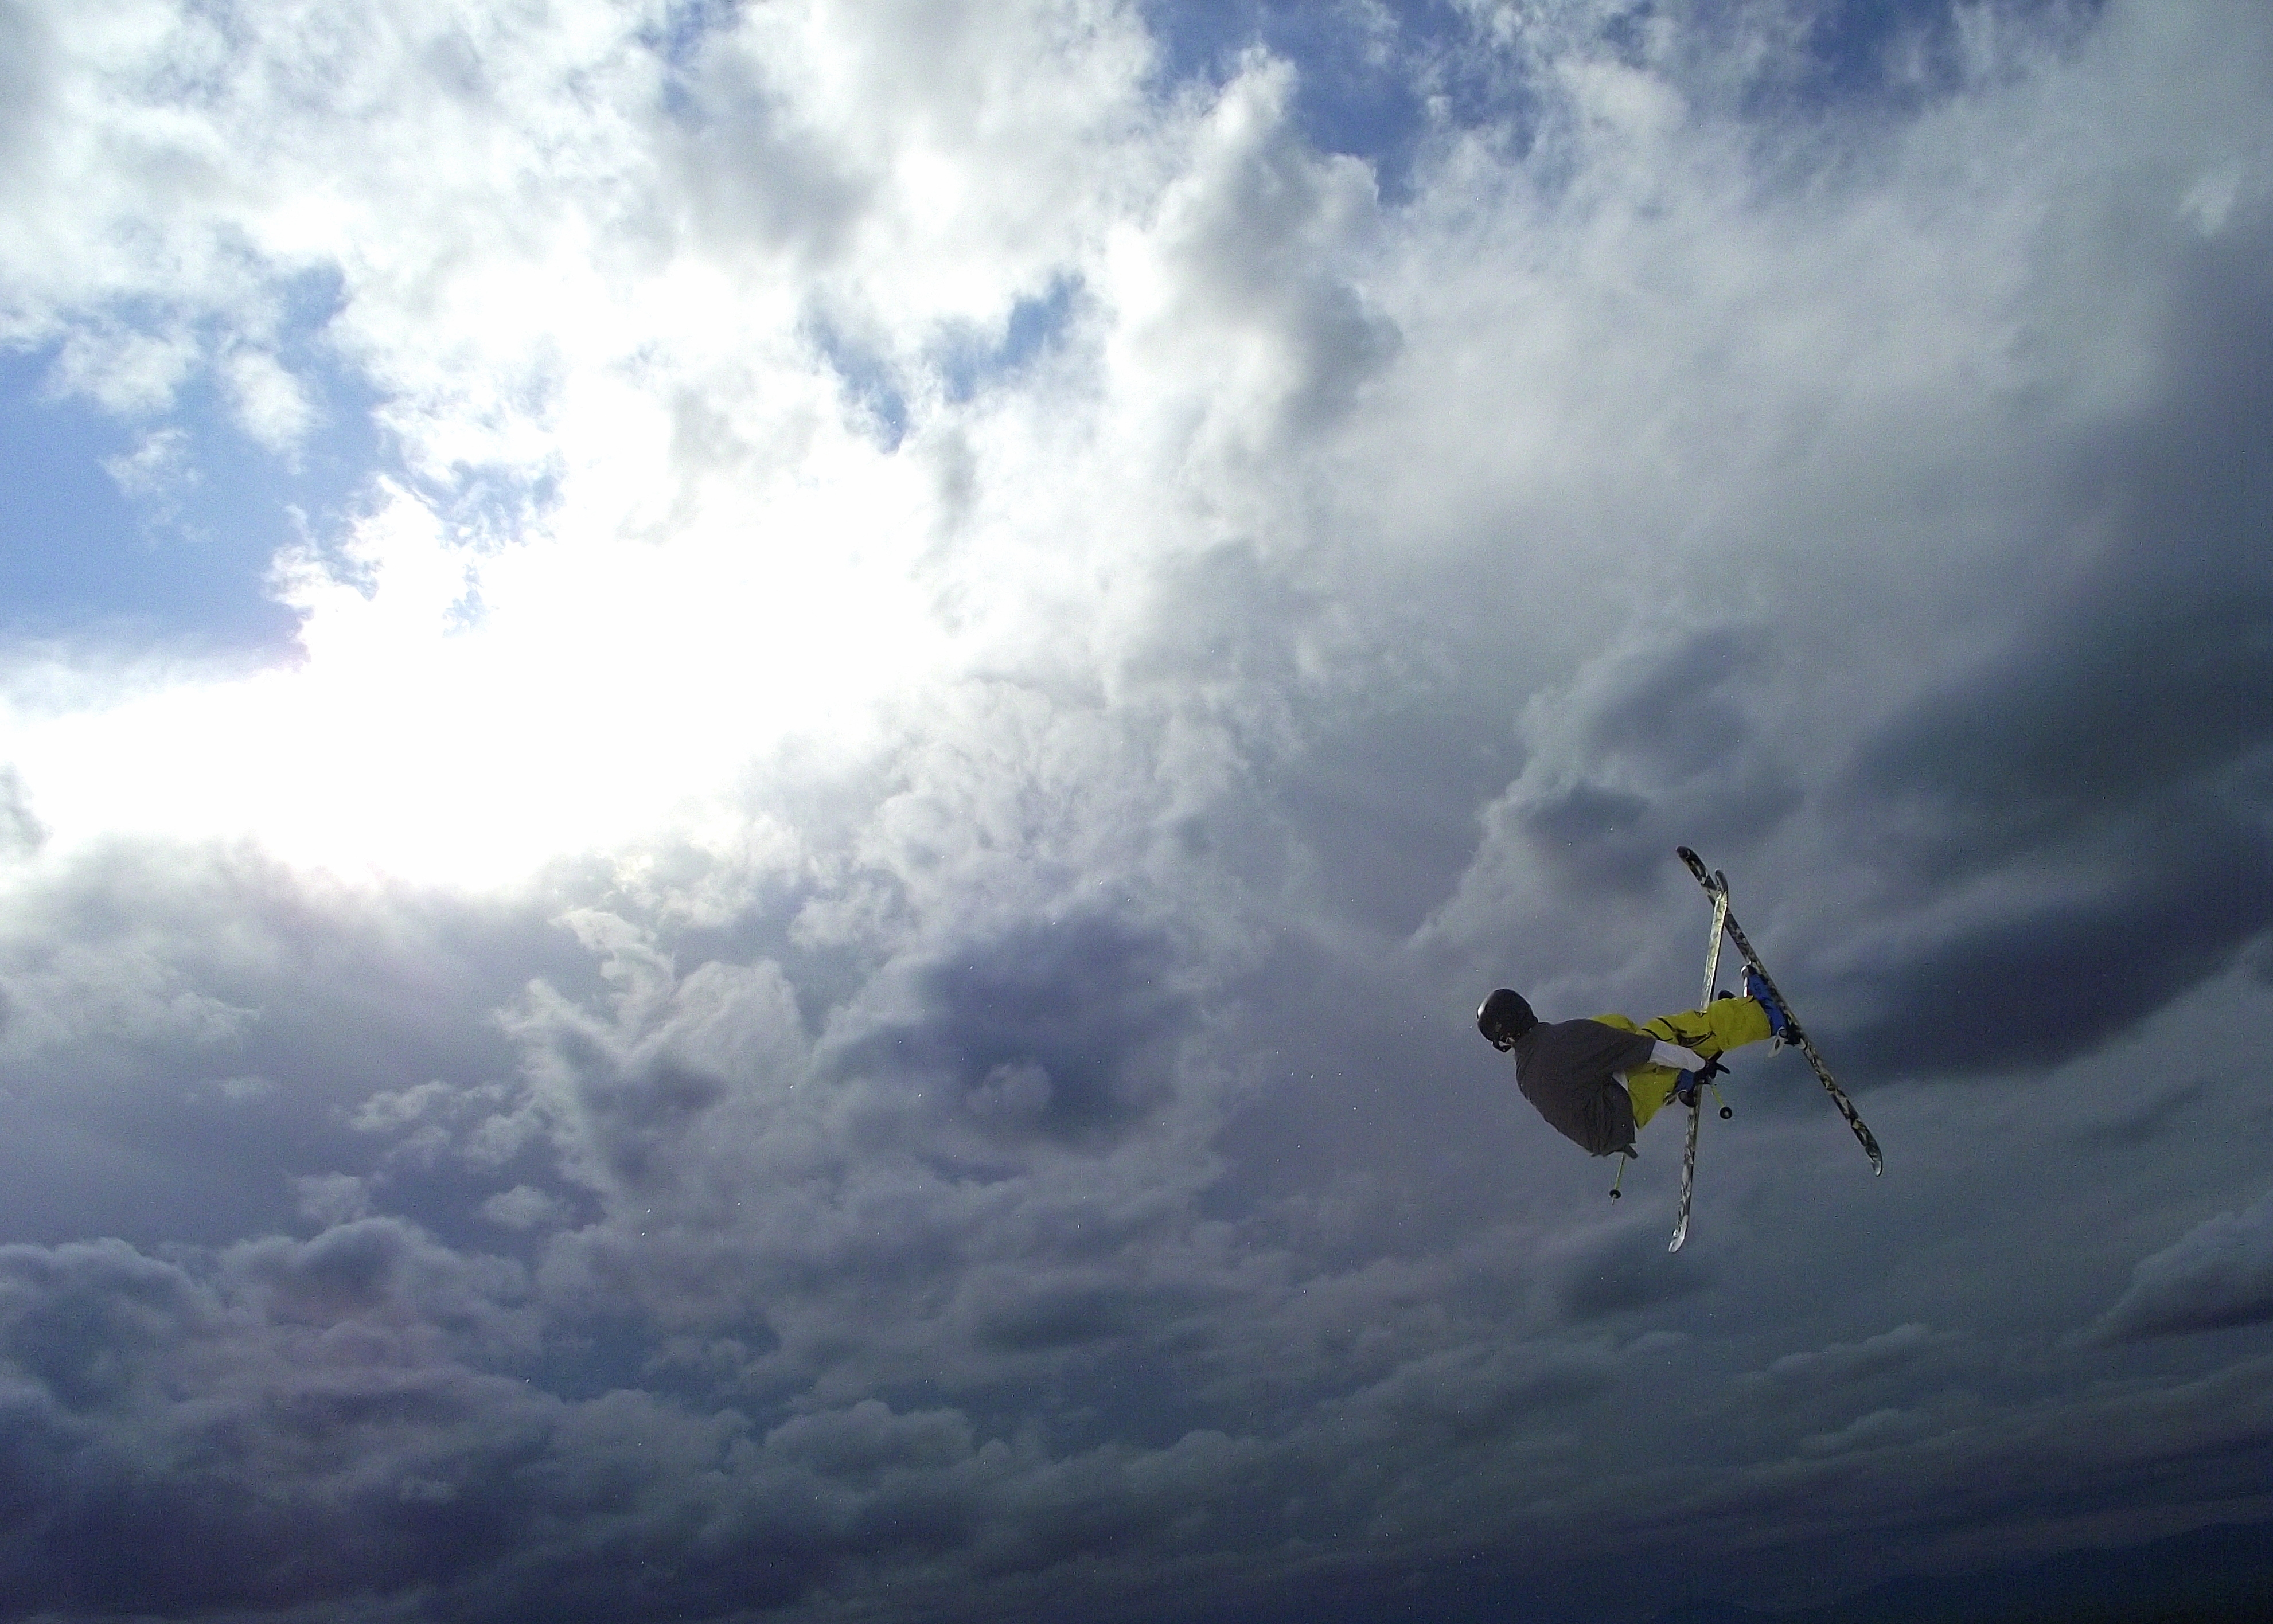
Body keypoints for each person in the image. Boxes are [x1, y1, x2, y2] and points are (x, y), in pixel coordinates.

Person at [1476, 968, 1792, 1159]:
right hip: (1621, 1107)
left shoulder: (1526, 1070)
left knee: (1611, 1025)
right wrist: (1697, 1065)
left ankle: (1674, 1080)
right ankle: (1763, 1016)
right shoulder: (1564, 1042)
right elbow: (1650, 1048)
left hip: (1605, 1125)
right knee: (1669, 1032)